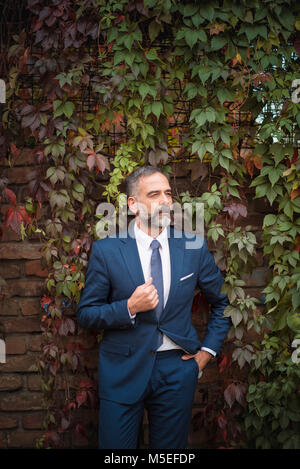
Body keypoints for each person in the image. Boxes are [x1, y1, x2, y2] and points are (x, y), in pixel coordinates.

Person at [76, 165, 231, 449]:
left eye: (168, 193)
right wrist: (129, 307)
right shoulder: (107, 250)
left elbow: (222, 303)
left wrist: (205, 355)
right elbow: (87, 314)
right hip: (122, 369)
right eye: (154, 194)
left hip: (176, 371)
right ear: (133, 204)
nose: (165, 201)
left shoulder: (193, 246)